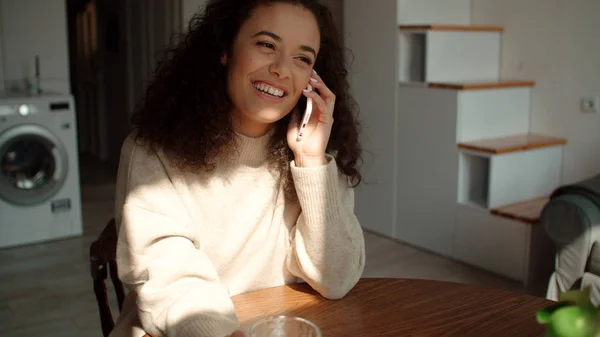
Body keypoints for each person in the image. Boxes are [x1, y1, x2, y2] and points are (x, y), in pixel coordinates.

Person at [110, 0, 365, 336]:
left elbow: (336, 279)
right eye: (266, 45)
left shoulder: (312, 157)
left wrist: (312, 163)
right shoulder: (152, 152)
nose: (281, 69)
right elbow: (171, 280)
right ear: (225, 50)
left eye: (302, 58)